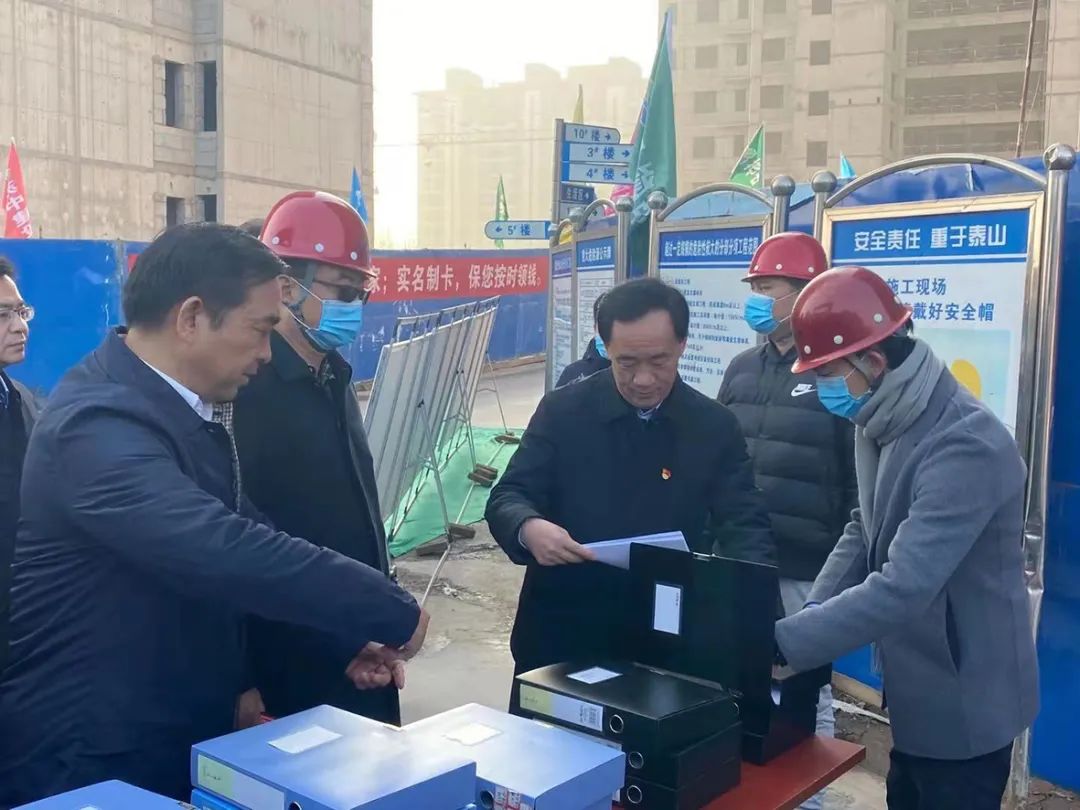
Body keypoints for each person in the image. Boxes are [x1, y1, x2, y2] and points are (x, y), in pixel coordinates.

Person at [0, 223, 429, 805]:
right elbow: (223, 548)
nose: (265, 353)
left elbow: (251, 533)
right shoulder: (95, 424)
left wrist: (342, 640)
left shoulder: (179, 412)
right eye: (259, 329)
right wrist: (386, 606)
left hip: (167, 730)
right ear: (192, 317)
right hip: (88, 755)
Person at [773, 266, 1038, 810]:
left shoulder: (964, 443)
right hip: (917, 684)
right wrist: (812, 613)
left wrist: (786, 643)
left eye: (828, 373)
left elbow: (904, 584)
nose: (822, 389)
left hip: (967, 696)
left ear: (873, 361)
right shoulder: (884, 415)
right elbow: (862, 526)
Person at [486, 277, 774, 678]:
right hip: (562, 630)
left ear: (682, 345)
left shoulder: (713, 426)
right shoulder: (563, 412)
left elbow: (745, 524)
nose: (643, 379)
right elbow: (509, 495)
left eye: (659, 361)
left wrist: (759, 621)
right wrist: (527, 527)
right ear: (606, 347)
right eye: (627, 363)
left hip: (665, 633)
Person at [231, 191, 398, 725]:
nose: (353, 307)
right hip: (286, 668)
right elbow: (235, 547)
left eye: (360, 292)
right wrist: (241, 680)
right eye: (341, 291)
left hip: (361, 648)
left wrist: (377, 612)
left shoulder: (334, 376)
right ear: (286, 287)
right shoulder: (245, 391)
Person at [718, 232, 854, 807]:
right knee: (735, 677)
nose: (757, 299)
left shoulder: (837, 373)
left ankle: (810, 799)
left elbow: (857, 481)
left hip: (807, 567)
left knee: (804, 690)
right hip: (740, 559)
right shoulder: (741, 368)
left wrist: (843, 572)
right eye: (754, 288)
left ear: (804, 292)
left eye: (767, 288)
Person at [0, 256, 39, 672]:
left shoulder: (23, 399)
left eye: (21, 311)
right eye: (2, 315)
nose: (20, 327)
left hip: (22, 624)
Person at [555, 291, 611, 387]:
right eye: (604, 327)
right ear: (595, 328)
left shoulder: (635, 376)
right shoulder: (573, 375)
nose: (609, 335)